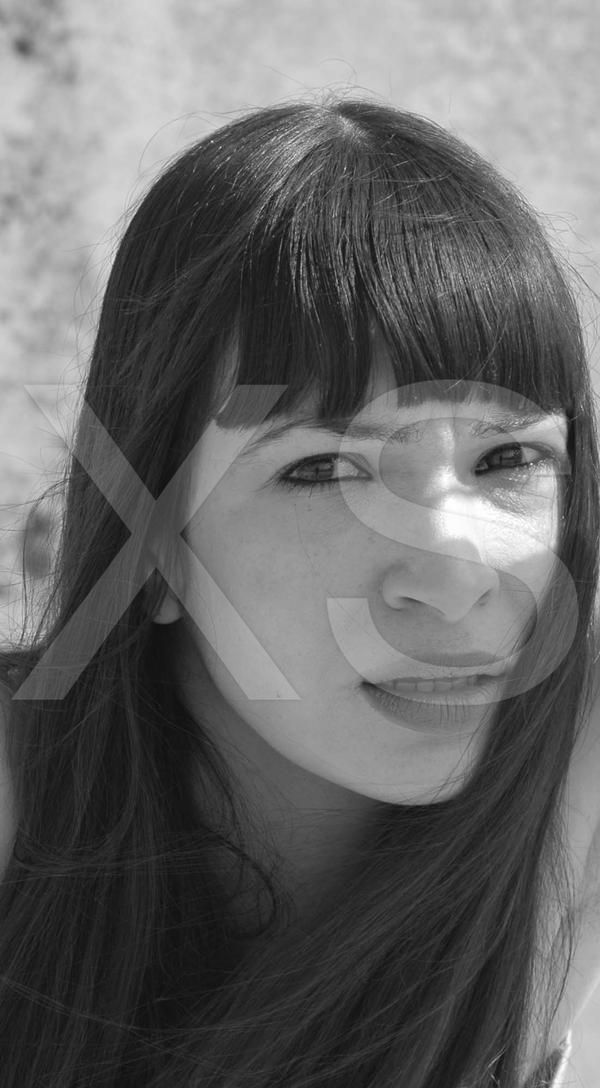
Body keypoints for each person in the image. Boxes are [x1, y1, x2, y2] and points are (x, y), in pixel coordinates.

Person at [0, 97, 598, 1088]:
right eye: (321, 469)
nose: (457, 578)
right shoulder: (23, 796)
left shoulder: (562, 803)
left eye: (506, 458)